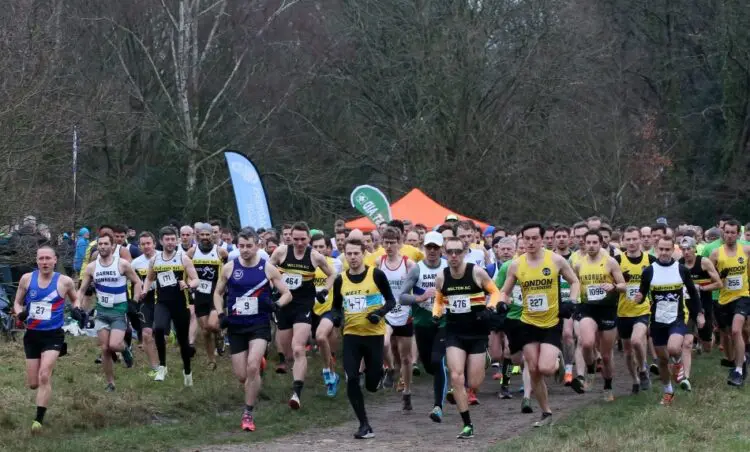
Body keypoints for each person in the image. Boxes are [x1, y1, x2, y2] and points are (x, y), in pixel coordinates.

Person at [499, 222, 580, 428]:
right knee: (533, 369)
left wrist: (572, 301)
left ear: (543, 239)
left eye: (535, 238)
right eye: (527, 238)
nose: (531, 242)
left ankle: (557, 359)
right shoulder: (516, 265)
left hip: (551, 322)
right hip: (528, 323)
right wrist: (501, 302)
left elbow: (575, 282)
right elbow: (504, 291)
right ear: (522, 240)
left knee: (545, 368)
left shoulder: (555, 260)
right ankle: (546, 412)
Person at [213, 228, 292, 432]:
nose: (245, 250)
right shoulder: (230, 268)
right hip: (236, 325)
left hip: (259, 324)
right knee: (242, 375)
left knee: (252, 367)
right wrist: (221, 314)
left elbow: (287, 293)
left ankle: (247, 413)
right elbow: (218, 293)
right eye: (241, 246)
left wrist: (277, 304)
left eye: (249, 246)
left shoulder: (267, 268)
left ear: (258, 245)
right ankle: (258, 367)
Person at [433, 236, 500, 439]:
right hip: (454, 331)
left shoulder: (476, 272)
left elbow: (495, 292)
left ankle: (485, 358)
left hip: (477, 332)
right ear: (445, 253)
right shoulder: (442, 276)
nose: (454, 256)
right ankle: (467, 424)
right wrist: (436, 314)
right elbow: (439, 300)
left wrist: (490, 307)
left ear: (464, 253)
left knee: (474, 382)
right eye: (450, 252)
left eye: (458, 252)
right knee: (456, 377)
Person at [331, 238, 396, 439]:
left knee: (371, 385)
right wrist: (336, 317)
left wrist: (379, 313)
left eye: (356, 253)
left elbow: (391, 301)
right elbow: (335, 306)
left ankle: (380, 372)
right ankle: (364, 425)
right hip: (351, 335)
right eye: (349, 254)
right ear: (345, 255)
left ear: (363, 253)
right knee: (351, 378)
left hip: (373, 335)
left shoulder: (376, 274)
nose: (352, 257)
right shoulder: (340, 280)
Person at [269, 222, 335, 409]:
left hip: (303, 306)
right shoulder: (281, 252)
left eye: (303, 239)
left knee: (298, 348)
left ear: (309, 238)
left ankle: (296, 393)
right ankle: (298, 374)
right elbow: (267, 270)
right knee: (289, 354)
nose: (299, 243)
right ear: (289, 237)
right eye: (295, 239)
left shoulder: (315, 256)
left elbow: (332, 275)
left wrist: (324, 290)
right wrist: (272, 289)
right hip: (284, 305)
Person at [13, 246, 78, 432]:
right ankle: (43, 376)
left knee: (44, 375)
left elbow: (75, 299)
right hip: (32, 335)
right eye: (41, 258)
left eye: (48, 258)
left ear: (55, 260)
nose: (44, 262)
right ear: (37, 260)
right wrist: (20, 313)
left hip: (53, 334)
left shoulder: (65, 281)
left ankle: (38, 420)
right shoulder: (27, 279)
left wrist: (77, 310)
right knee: (33, 383)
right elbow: (17, 303)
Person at [635, 237, 703, 405]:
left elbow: (693, 294)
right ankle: (668, 391)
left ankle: (678, 363)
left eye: (667, 249)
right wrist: (639, 297)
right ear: (656, 249)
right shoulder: (649, 271)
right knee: (663, 360)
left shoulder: (681, 269)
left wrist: (699, 313)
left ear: (673, 250)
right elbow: (642, 293)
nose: (664, 253)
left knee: (673, 348)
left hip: (677, 317)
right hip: (657, 321)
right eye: (661, 249)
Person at [77, 233, 142, 391]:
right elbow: (82, 290)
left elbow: (137, 282)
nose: (103, 247)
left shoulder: (122, 264)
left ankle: (125, 350)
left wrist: (134, 302)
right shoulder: (92, 267)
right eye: (100, 244)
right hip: (101, 312)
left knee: (114, 345)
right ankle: (110, 383)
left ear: (112, 246)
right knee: (105, 348)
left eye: (106, 244)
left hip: (119, 311)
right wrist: (77, 306)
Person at [399, 231, 449, 421]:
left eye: (436, 247)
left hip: (444, 321)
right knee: (429, 366)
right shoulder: (416, 269)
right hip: (423, 323)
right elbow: (402, 297)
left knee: (437, 361)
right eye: (429, 247)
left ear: (441, 249)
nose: (432, 251)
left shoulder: (448, 267)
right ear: (424, 248)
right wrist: (420, 297)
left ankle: (437, 406)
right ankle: (445, 375)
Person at [141, 226, 200, 385]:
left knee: (183, 340)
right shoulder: (155, 260)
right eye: (167, 239)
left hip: (180, 304)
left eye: (173, 239)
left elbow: (196, 279)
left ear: (177, 240)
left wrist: (188, 285)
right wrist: (145, 290)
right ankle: (162, 366)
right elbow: (149, 278)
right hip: (161, 302)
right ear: (161, 241)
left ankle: (187, 371)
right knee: (159, 329)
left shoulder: (183, 258)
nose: (170, 242)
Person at [572, 229, 625, 399]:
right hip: (587, 308)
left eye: (595, 242)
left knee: (607, 356)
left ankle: (608, 386)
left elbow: (623, 285)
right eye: (588, 242)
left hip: (607, 310)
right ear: (584, 243)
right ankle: (590, 369)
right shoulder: (579, 264)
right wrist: (572, 299)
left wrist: (614, 287)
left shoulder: (610, 262)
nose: (591, 245)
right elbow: (574, 283)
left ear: (601, 243)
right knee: (586, 343)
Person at [378, 227, 416, 410]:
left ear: (399, 243)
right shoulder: (379, 262)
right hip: (387, 311)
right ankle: (390, 368)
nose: (389, 246)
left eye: (392, 242)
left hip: (405, 313)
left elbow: (418, 285)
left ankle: (407, 392)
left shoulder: (409, 264)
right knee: (384, 344)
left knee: (406, 357)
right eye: (386, 242)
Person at [615, 227, 656, 394]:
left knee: (637, 341)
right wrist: (616, 286)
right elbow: (609, 283)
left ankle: (643, 369)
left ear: (640, 239)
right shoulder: (617, 260)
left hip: (643, 310)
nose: (631, 242)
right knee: (627, 352)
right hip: (623, 311)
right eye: (628, 239)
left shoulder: (650, 260)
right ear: (623, 241)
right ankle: (635, 379)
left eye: (634, 239)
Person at [709, 219, 750, 386]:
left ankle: (738, 371)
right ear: (723, 233)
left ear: (738, 234)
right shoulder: (716, 254)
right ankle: (741, 360)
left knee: (736, 330)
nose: (730, 235)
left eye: (733, 232)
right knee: (727, 334)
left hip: (743, 297)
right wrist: (719, 277)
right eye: (727, 232)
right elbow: (709, 277)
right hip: (724, 299)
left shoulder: (746, 250)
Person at [678, 236, 721, 388]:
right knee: (687, 343)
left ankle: (706, 338)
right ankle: (686, 377)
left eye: (689, 249)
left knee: (707, 345)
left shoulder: (704, 262)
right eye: (683, 249)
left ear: (695, 248)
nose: (686, 252)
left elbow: (719, 283)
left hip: (704, 305)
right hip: (687, 308)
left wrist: (701, 288)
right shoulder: (679, 264)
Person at [187, 223, 228, 369]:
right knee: (205, 331)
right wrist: (189, 284)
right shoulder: (192, 252)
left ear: (213, 235)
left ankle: (220, 333)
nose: (205, 237)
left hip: (215, 293)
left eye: (207, 234)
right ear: (198, 235)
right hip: (199, 294)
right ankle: (211, 360)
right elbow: (186, 269)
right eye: (202, 234)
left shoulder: (221, 252)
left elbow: (227, 271)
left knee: (212, 325)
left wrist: (224, 288)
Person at [311, 233, 343, 397]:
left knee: (321, 337)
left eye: (321, 246)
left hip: (329, 308)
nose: (318, 250)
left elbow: (342, 284)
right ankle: (332, 375)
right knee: (324, 344)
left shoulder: (336, 263)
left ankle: (327, 373)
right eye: (315, 247)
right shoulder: (306, 264)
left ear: (327, 248)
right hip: (310, 309)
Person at [131, 232, 160, 375]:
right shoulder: (135, 263)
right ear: (139, 246)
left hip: (164, 298)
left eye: (148, 243)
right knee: (147, 334)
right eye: (143, 244)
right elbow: (132, 283)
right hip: (146, 299)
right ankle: (155, 368)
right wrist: (134, 300)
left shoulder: (164, 257)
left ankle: (162, 361)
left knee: (160, 333)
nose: (146, 246)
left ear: (154, 244)